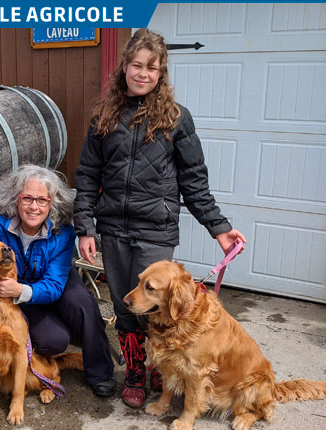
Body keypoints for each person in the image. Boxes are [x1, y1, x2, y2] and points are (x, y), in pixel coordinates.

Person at [74, 29, 247, 409]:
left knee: (158, 306)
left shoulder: (176, 118)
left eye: (152, 68)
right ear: (124, 68)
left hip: (156, 229)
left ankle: (160, 369)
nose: (143, 74)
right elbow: (87, 174)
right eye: (136, 65)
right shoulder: (105, 116)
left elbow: (194, 181)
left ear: (161, 73)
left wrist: (218, 227)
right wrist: (84, 226)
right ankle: (136, 372)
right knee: (125, 305)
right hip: (113, 230)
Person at [0, 164, 116, 398]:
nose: (34, 207)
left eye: (42, 200)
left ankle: (100, 372)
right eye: (27, 199)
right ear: (16, 199)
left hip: (51, 279)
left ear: (51, 203)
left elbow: (53, 286)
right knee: (53, 341)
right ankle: (43, 352)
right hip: (11, 285)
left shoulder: (63, 231)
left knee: (82, 303)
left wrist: (20, 289)